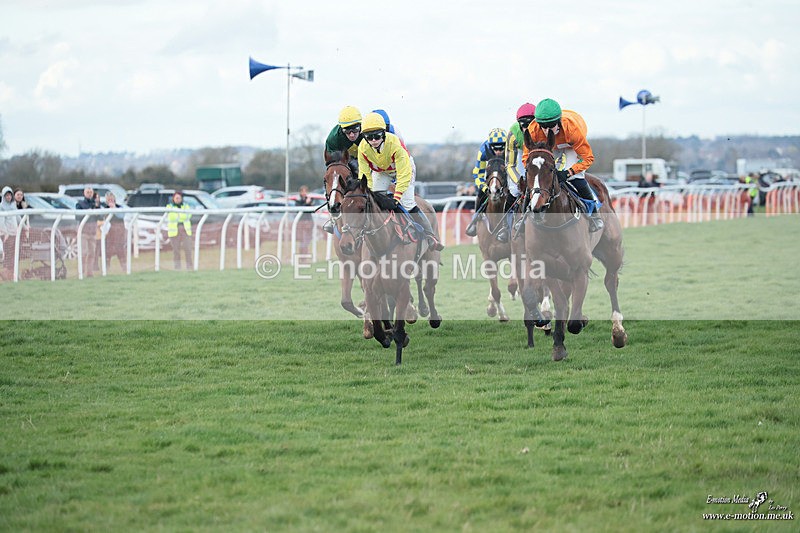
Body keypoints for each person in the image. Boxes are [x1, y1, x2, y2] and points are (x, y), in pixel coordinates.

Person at [357, 112, 444, 251]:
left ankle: (430, 236)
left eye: (377, 136)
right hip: (382, 171)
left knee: (407, 203)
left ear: (384, 133)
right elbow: (364, 175)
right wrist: (368, 193)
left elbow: (404, 174)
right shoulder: (362, 148)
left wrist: (396, 198)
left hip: (404, 169)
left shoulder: (394, 143)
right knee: (374, 201)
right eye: (369, 137)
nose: (373, 140)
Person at [526, 98, 604, 232]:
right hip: (549, 147)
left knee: (575, 177)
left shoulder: (572, 130)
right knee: (538, 178)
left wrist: (569, 172)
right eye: (543, 126)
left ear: (558, 122)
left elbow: (587, 158)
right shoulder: (533, 130)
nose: (546, 131)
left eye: (550, 126)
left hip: (570, 145)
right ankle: (524, 216)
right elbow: (527, 158)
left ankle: (594, 214)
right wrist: (533, 172)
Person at [323, 106, 363, 234]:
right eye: (347, 131)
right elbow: (332, 165)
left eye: (355, 130)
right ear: (341, 129)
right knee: (334, 179)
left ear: (361, 125)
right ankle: (333, 216)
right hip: (346, 159)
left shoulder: (368, 133)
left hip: (366, 157)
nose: (351, 134)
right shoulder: (333, 139)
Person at [501, 102, 537, 241]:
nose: (527, 128)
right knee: (514, 191)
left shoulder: (542, 130)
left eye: (531, 124)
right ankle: (505, 227)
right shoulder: (513, 134)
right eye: (524, 125)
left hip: (538, 153)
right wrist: (519, 181)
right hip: (520, 154)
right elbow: (510, 164)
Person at [464, 127, 507, 238]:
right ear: (490, 147)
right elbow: (478, 174)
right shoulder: (483, 150)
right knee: (480, 193)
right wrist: (484, 188)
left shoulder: (510, 149)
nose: (498, 152)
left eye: (501, 148)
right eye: (495, 149)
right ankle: (475, 219)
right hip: (491, 174)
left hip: (507, 172)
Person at [167, 191, 193, 270]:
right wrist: (181, 216)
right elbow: (172, 217)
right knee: (176, 251)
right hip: (174, 231)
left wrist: (179, 216)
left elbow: (188, 216)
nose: (178, 200)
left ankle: (189, 267)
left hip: (185, 230)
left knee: (188, 249)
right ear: (173, 199)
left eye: (179, 198)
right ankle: (177, 268)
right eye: (176, 198)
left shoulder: (186, 206)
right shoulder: (169, 207)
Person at [102, 191, 127, 272]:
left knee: (120, 249)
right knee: (108, 250)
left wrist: (114, 209)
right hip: (109, 232)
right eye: (108, 200)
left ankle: (124, 268)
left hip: (119, 231)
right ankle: (106, 268)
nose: (110, 201)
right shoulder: (104, 209)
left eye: (111, 199)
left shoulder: (120, 207)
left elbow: (121, 215)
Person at [75, 186, 98, 276]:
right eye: (87, 192)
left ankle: (89, 273)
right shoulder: (80, 204)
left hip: (93, 232)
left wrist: (96, 207)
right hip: (83, 232)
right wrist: (87, 212)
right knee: (83, 253)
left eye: (90, 192)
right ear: (84, 193)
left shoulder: (95, 204)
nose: (89, 194)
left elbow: (100, 216)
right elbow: (77, 217)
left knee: (92, 253)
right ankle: (81, 271)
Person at [1, 186, 20, 278]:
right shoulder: (1, 206)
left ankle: (12, 272)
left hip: (14, 234)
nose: (8, 197)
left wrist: (25, 226)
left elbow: (18, 217)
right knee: (8, 253)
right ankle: (6, 272)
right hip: (6, 235)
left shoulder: (13, 205)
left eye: (10, 195)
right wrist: (6, 233)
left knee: (14, 253)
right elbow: (1, 222)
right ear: (3, 196)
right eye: (7, 195)